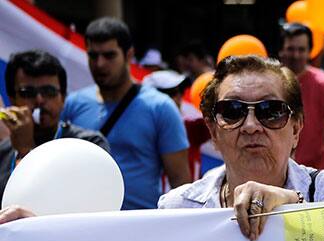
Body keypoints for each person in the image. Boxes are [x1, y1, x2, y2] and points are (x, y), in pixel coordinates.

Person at [157, 55, 324, 241]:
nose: (250, 126)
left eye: (270, 111)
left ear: (296, 129)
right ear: (214, 133)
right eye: (232, 111)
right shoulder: (178, 209)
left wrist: (292, 201)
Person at [62, 17, 191, 210]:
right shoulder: (73, 104)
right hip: (84, 226)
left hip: (141, 229)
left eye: (109, 55)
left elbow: (180, 184)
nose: (100, 64)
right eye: (93, 56)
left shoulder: (161, 108)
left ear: (129, 55)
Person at [1, 50, 110, 198]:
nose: (39, 100)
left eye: (49, 91)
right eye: (28, 92)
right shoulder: (2, 152)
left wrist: (26, 152)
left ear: (63, 98)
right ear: (12, 99)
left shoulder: (89, 145)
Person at [278, 22, 324, 172]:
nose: (296, 55)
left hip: (313, 176)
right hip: (274, 172)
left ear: (310, 51)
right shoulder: (268, 81)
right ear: (281, 50)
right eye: (291, 49)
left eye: (301, 50)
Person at [144, 69, 211, 181]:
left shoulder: (190, 128)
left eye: (180, 91)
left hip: (189, 197)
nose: (179, 96)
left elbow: (219, 119)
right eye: (172, 92)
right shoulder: (137, 131)